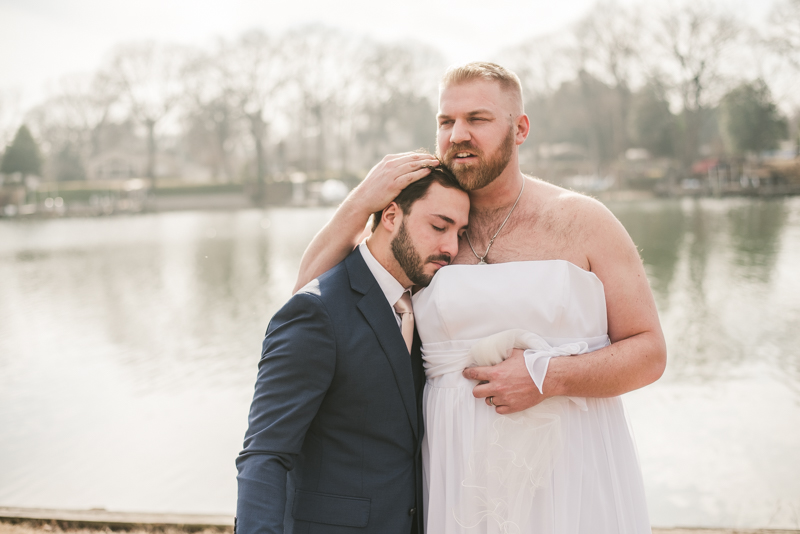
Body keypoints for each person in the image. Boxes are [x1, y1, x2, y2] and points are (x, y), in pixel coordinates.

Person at [294, 62, 667, 533]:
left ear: (521, 128)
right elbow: (308, 298)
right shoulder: (418, 232)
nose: (458, 135)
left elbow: (649, 352)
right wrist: (361, 200)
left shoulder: (584, 221)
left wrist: (547, 376)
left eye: (478, 119)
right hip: (453, 476)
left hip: (572, 468)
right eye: (446, 121)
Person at [236, 165, 470, 534]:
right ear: (391, 216)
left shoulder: (429, 307)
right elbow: (265, 455)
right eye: (439, 227)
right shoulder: (315, 312)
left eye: (460, 233)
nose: (451, 248)